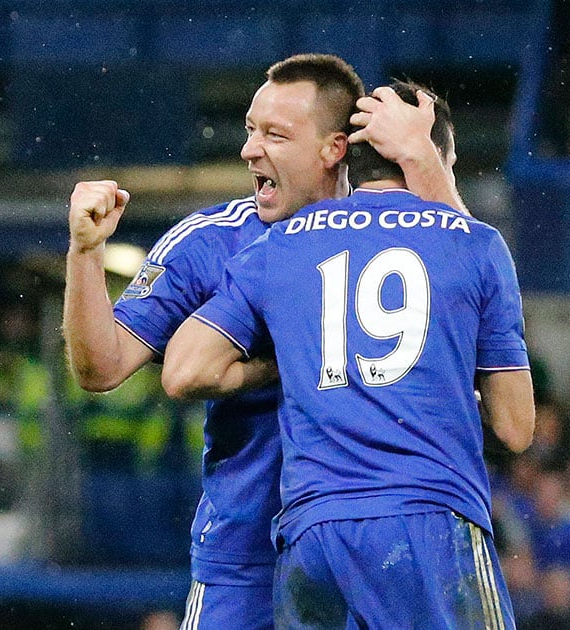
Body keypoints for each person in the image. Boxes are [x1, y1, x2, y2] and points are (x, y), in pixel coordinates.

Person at [64, 55, 468, 629]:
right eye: (250, 129)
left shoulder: (393, 243)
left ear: (335, 148)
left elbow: (474, 287)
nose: (251, 149)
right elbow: (100, 368)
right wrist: (84, 253)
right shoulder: (209, 242)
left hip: (368, 555)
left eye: (275, 134)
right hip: (243, 558)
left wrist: (427, 161)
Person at [161, 81, 535, 627]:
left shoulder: (281, 245)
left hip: (313, 534)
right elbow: (516, 426)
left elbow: (185, 370)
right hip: (428, 519)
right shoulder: (475, 246)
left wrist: (283, 366)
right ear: (439, 157)